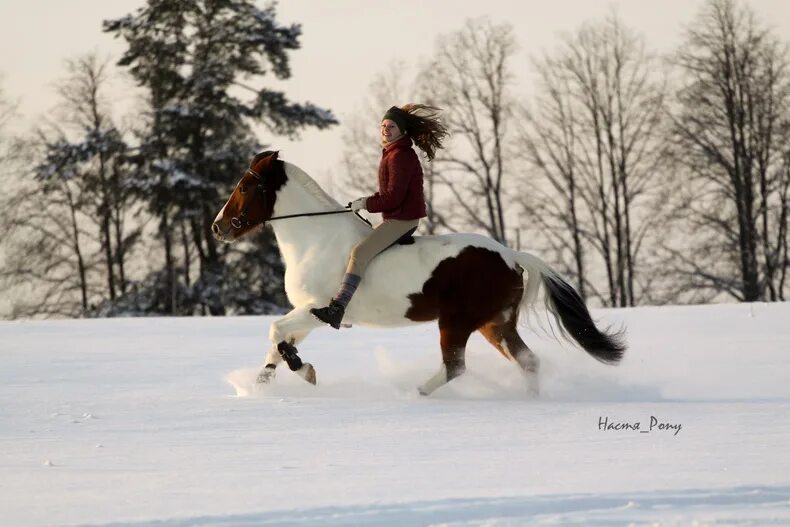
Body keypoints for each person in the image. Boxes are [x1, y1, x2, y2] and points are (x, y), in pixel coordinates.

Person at [310, 104, 448, 329]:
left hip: (403, 219)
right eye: (383, 125)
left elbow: (393, 198)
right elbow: (390, 193)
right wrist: (365, 201)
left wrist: (366, 203)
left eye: (391, 125)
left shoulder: (400, 156)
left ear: (402, 131)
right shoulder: (393, 153)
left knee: (360, 252)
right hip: (398, 217)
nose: (385, 129)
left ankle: (338, 308)